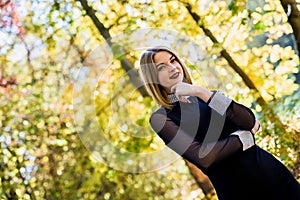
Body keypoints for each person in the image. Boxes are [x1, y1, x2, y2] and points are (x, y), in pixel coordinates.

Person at [139, 46, 300, 200]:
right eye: (161, 67)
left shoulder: (206, 96)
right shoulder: (161, 118)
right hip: (238, 193)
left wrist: (200, 91)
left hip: (274, 176)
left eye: (173, 60)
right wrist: (245, 137)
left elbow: (248, 120)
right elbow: (204, 157)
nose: (172, 68)